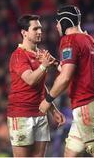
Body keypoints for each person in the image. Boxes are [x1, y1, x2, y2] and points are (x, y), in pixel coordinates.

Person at [39, 5, 94, 157]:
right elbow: (77, 73)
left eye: (58, 22)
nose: (56, 26)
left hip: (86, 105)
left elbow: (65, 78)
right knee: (70, 152)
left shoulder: (69, 40)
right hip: (93, 103)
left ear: (65, 21)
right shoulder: (90, 40)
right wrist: (56, 65)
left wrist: (47, 100)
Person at [7, 14, 66, 157]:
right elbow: (30, 80)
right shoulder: (18, 55)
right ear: (24, 33)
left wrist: (53, 111)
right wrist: (44, 66)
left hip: (40, 113)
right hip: (21, 114)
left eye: (40, 28)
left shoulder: (41, 54)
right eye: (35, 29)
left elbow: (43, 83)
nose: (40, 31)